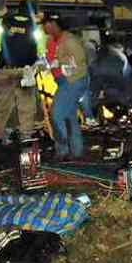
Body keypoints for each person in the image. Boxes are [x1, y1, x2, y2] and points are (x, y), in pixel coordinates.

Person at [0, 1, 41, 145]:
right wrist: (37, 68)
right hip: (26, 72)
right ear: (31, 12)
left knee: (1, 107)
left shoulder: (3, 23)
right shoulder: (35, 28)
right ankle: (26, 137)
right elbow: (41, 51)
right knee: (27, 107)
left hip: (5, 71)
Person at [41, 13, 89, 160]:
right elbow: (47, 58)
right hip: (62, 81)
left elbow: (80, 62)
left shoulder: (70, 40)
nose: (43, 27)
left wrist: (60, 63)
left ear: (54, 25)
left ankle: (62, 150)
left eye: (46, 24)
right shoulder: (50, 40)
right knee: (69, 116)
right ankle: (77, 151)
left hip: (73, 81)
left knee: (56, 114)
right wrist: (42, 64)